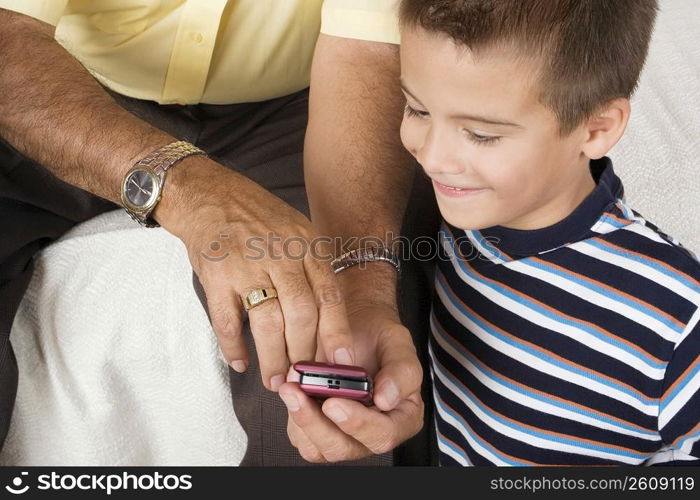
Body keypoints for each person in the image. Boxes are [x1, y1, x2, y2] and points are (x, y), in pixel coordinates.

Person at [0, 1, 439, 465]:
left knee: (328, 338)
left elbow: (365, 50)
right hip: (60, 84)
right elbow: (8, 36)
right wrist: (187, 188)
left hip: (302, 106)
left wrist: (361, 286)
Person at [391, 0, 700, 465]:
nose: (433, 158)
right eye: (416, 109)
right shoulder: (457, 218)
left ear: (596, 129)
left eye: (481, 134)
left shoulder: (676, 320)